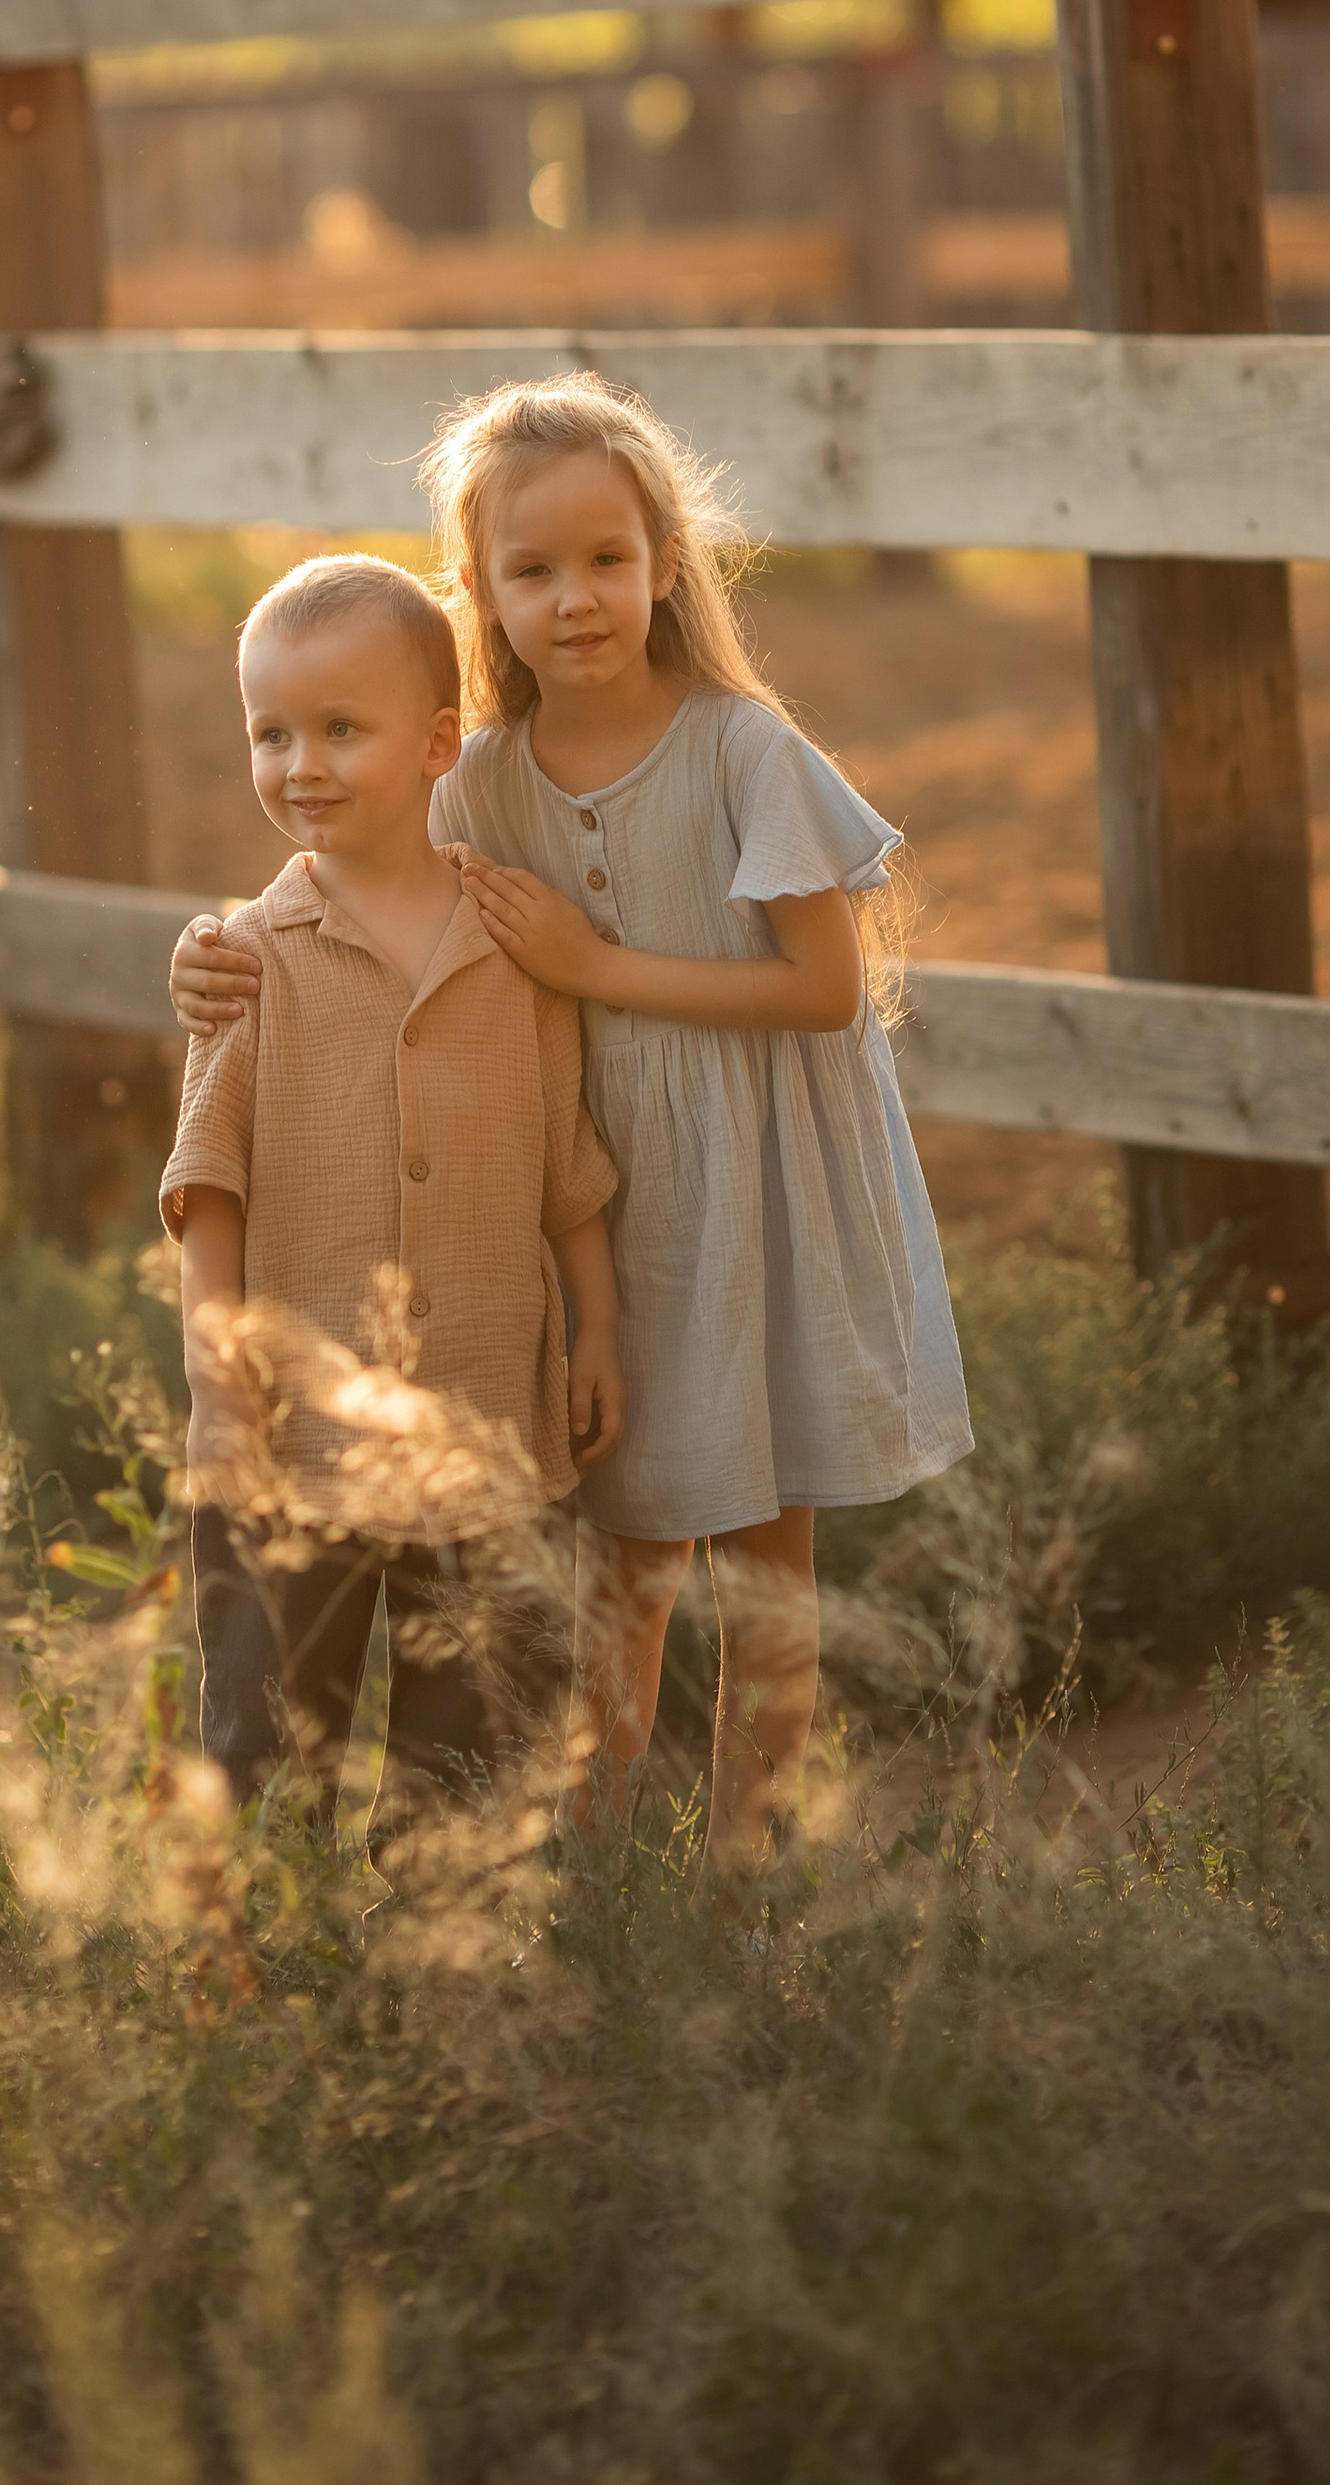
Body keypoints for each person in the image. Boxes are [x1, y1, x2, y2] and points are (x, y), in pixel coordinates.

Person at [174, 375, 970, 1875]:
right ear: (477, 594)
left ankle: (747, 1868)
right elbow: (341, 870)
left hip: (755, 1191)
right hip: (593, 1203)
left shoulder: (743, 753)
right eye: (529, 571)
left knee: (766, 1570)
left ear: (667, 560)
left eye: (605, 558)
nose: (575, 597)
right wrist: (209, 949)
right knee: (627, 1561)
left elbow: (820, 992)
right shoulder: (476, 777)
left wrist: (594, 967)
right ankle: (594, 1867)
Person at [167, 548, 623, 1843]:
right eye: (270, 733)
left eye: (339, 730)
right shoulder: (247, 963)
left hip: (486, 1420)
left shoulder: (511, 946)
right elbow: (208, 1194)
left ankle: (444, 1972)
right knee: (264, 1738)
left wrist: (597, 1333)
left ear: (438, 744)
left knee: (471, 1746)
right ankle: (267, 1967)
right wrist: (217, 1400)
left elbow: (567, 1170)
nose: (299, 765)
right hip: (286, 1446)